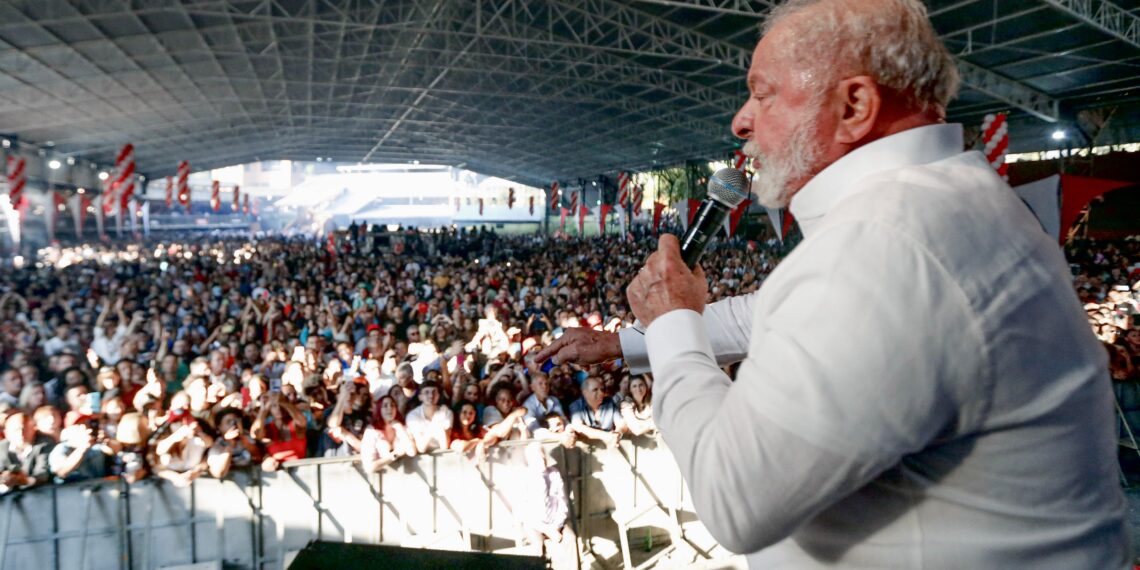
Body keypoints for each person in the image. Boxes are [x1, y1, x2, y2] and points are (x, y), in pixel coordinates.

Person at [536, 0, 1127, 566]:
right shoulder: (940, 206)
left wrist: (671, 327)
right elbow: (766, 315)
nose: (741, 119)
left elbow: (734, 497)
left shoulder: (887, 244)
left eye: (763, 94)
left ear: (854, 108)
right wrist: (631, 342)